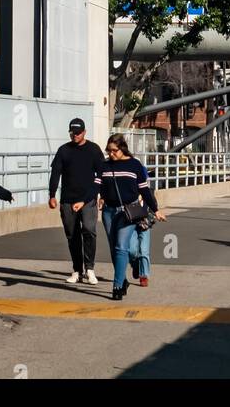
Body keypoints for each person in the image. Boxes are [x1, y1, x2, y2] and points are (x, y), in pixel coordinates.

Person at [96, 134, 165, 299]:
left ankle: (117, 286)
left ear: (122, 148)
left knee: (122, 247)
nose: (111, 154)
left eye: (114, 150)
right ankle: (123, 279)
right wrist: (86, 200)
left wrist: (155, 209)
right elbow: (98, 186)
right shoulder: (105, 166)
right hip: (108, 211)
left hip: (127, 212)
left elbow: (144, 190)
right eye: (108, 150)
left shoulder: (134, 165)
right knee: (115, 249)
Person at [48, 117, 105, 285]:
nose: (75, 136)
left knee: (89, 230)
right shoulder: (63, 150)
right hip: (67, 200)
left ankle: (90, 269)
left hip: (88, 200)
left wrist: (101, 195)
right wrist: (52, 195)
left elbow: (101, 174)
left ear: (84, 132)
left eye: (78, 133)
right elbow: (55, 173)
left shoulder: (94, 149)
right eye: (73, 133)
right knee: (72, 235)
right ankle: (77, 270)